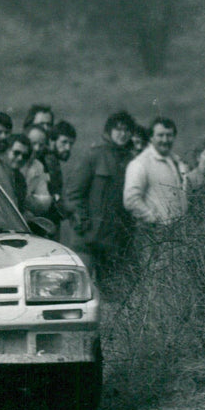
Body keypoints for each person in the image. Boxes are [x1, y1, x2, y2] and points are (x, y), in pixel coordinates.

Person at [64, 110, 136, 282]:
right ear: (109, 131)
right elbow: (73, 193)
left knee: (112, 293)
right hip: (87, 241)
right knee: (80, 287)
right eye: (118, 129)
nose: (123, 134)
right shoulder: (94, 156)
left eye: (127, 130)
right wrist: (82, 221)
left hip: (114, 243)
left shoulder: (131, 161)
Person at [123, 117, 188, 227]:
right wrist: (155, 220)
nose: (165, 140)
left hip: (180, 231)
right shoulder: (140, 163)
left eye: (169, 135)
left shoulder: (177, 161)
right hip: (154, 232)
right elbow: (131, 201)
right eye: (160, 135)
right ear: (151, 138)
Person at [42, 120, 77, 239]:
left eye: (71, 144)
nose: (68, 148)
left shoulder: (53, 161)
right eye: (64, 142)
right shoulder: (46, 161)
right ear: (52, 141)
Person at [22, 124, 53, 216]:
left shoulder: (38, 166)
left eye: (41, 144)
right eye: (33, 143)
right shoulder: (13, 162)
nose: (37, 148)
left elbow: (45, 202)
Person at [0, 134, 32, 210]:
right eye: (16, 153)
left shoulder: (20, 179)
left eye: (25, 156)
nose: (20, 158)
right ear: (6, 151)